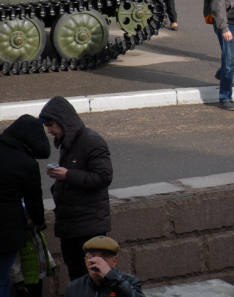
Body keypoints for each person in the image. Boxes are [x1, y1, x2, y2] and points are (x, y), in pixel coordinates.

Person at [39, 96, 113, 282]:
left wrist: (67, 175)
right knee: (77, 280)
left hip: (88, 227)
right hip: (71, 226)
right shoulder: (68, 143)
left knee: (93, 279)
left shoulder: (91, 141)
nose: (49, 131)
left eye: (51, 125)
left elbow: (104, 177)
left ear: (64, 121)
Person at [0, 115, 49, 297]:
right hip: (7, 230)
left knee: (4, 279)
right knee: (2, 280)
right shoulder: (27, 163)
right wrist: (38, 222)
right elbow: (34, 201)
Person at [64, 236, 143, 297]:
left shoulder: (130, 282)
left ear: (114, 261)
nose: (97, 261)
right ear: (86, 261)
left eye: (104, 256)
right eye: (92, 256)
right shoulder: (74, 287)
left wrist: (110, 276)